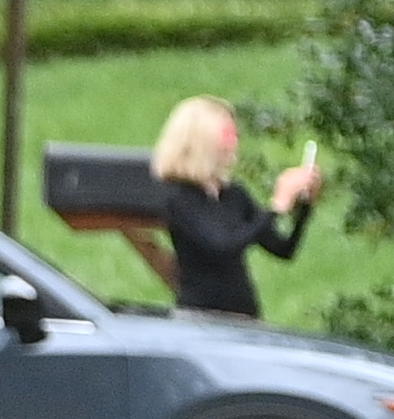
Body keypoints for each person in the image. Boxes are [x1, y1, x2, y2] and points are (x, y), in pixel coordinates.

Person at [131, 93, 321, 317]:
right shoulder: (179, 197)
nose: (234, 143)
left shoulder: (233, 195)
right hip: (202, 315)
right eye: (228, 135)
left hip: (244, 312)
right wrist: (276, 206)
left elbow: (283, 248)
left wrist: (303, 205)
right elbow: (222, 246)